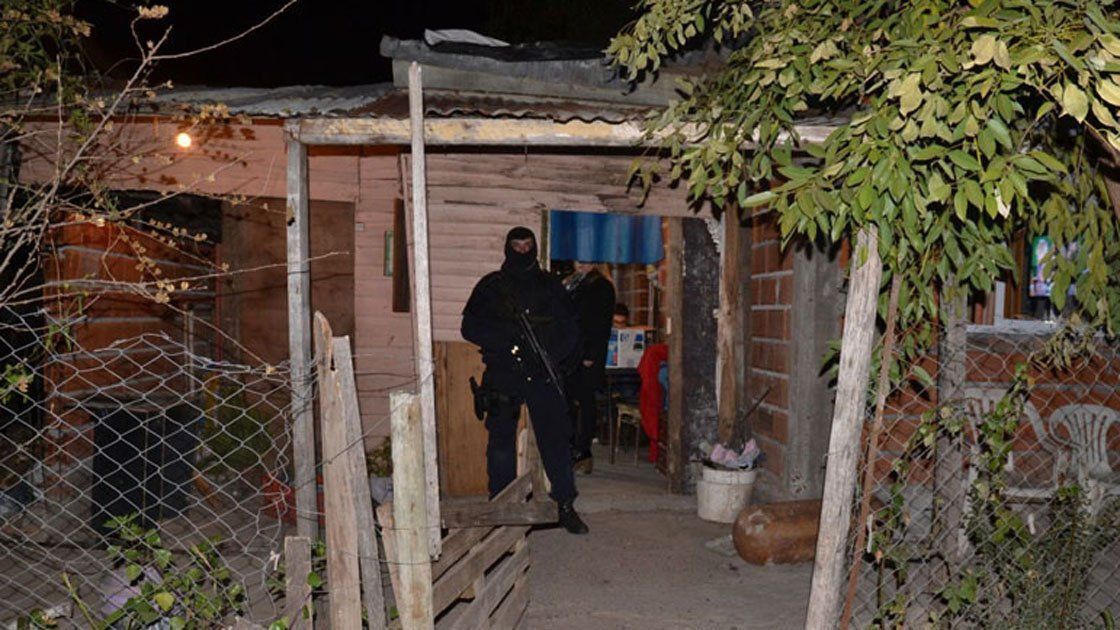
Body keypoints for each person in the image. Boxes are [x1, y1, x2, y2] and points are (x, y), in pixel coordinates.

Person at [461, 227, 589, 535]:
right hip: (504, 372)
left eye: (527, 245)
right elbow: (470, 327)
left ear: (535, 247)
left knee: (555, 440)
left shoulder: (550, 286)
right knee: (500, 442)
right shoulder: (492, 286)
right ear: (507, 247)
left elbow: (571, 329)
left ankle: (564, 505)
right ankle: (501, 507)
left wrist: (552, 356)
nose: (522, 251)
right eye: (516, 246)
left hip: (542, 372)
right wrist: (507, 341)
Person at [563, 262, 616, 474]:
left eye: (586, 260)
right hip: (572, 352)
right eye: (578, 259)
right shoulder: (572, 282)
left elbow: (599, 323)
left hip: (586, 354)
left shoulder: (601, 285)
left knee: (585, 402)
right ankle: (573, 449)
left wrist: (590, 354)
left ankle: (582, 452)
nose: (581, 263)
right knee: (571, 402)